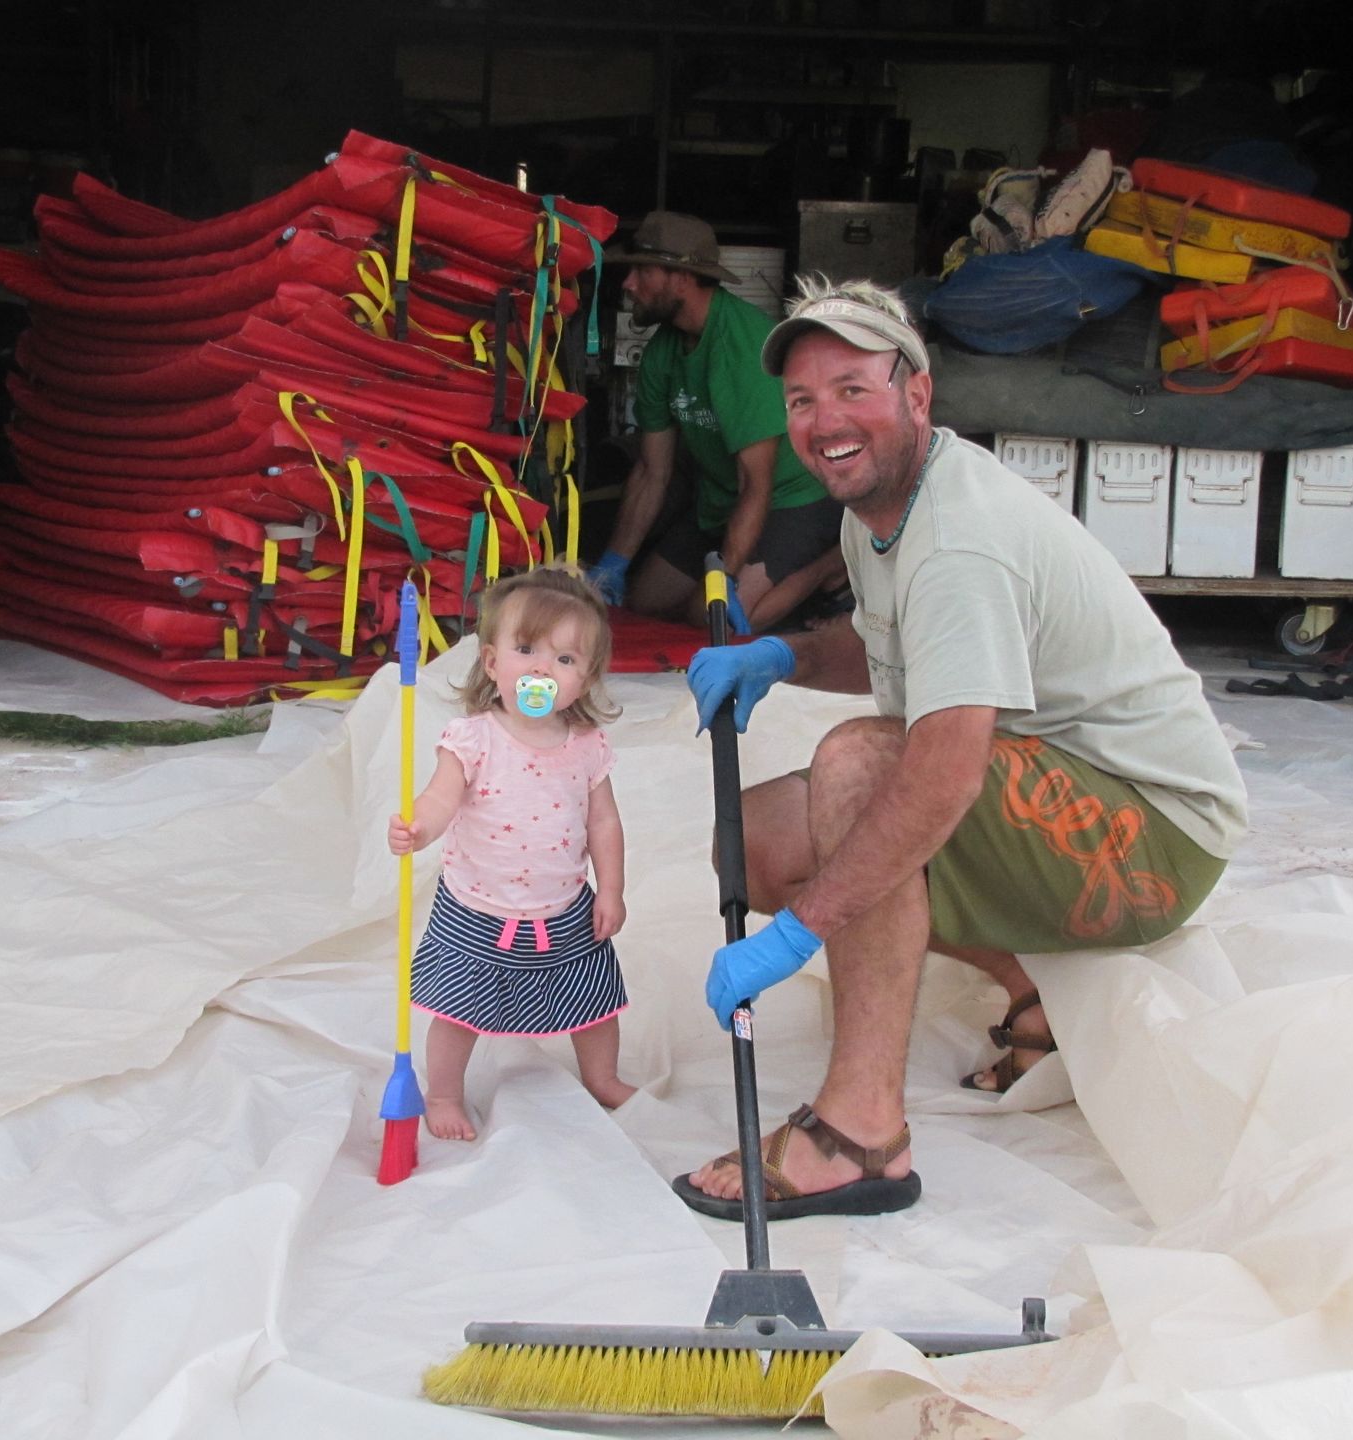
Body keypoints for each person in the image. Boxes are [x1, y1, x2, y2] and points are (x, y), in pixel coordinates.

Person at [673, 276, 1249, 1220]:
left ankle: (860, 1132)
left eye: (852, 389)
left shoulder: (957, 541)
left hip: (1155, 835)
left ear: (917, 393)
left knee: (864, 765)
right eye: (803, 400)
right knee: (768, 837)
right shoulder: (881, 510)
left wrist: (802, 928)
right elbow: (906, 647)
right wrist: (782, 656)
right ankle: (1033, 996)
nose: (824, 422)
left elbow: (942, 773)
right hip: (1068, 795)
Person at [388, 567, 635, 1141]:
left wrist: (613, 888)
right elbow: (441, 798)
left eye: (564, 659)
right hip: (477, 908)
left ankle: (603, 1077)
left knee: (593, 998)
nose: (542, 670)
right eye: (526, 650)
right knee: (458, 1009)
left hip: (565, 906)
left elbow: (604, 821)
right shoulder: (473, 738)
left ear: (585, 679)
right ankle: (443, 1093)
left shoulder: (587, 746)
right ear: (492, 662)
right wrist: (418, 829)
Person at [587, 211, 847, 634]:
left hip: (790, 500)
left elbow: (755, 484)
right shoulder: (662, 352)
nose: (629, 283)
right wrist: (612, 565)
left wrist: (724, 578)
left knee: (713, 619)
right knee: (643, 603)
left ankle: (830, 566)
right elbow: (652, 471)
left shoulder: (744, 348)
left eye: (642, 270)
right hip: (721, 501)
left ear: (681, 278)